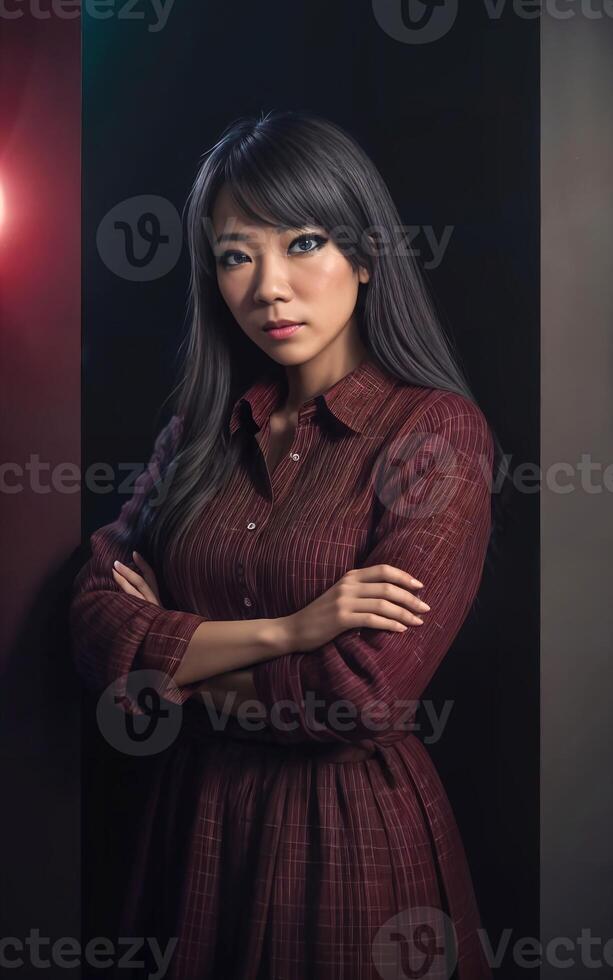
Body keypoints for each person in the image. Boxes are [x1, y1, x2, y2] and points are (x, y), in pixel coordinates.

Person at [70, 109, 505, 980]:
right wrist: (290, 631)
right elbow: (91, 622)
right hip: (188, 830)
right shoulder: (199, 426)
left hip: (343, 840)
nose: (268, 286)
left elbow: (362, 697)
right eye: (236, 255)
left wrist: (178, 668)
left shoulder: (432, 434)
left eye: (302, 242)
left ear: (366, 253)